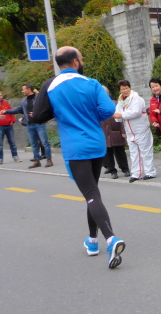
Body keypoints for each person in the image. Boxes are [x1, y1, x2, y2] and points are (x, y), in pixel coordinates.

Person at [37, 46, 126, 268]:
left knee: (91, 194)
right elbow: (108, 110)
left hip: (75, 148)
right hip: (96, 144)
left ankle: (111, 239)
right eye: (82, 58)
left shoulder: (50, 85)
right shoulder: (91, 83)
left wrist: (59, 111)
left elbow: (38, 115)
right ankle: (92, 241)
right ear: (76, 62)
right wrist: (90, 115)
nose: (82, 61)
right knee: (92, 193)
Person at [113, 80, 155, 183]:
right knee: (134, 153)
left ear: (130, 88)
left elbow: (136, 112)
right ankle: (136, 173)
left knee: (145, 152)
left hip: (141, 129)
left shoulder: (137, 98)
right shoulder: (120, 101)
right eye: (122, 89)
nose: (125, 90)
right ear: (119, 90)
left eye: (126, 88)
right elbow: (117, 115)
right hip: (129, 131)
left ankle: (150, 172)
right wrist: (119, 116)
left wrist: (122, 115)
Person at [2, 84, 53, 168]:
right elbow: (18, 109)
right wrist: (6, 112)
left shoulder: (39, 98)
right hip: (29, 124)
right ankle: (37, 161)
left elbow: (46, 108)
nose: (22, 91)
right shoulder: (24, 101)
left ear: (29, 89)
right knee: (33, 144)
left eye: (23, 89)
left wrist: (36, 114)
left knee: (44, 142)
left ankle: (49, 159)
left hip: (40, 124)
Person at [0, 90, 21, 164]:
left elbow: (11, 111)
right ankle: (0, 158)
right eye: (0, 96)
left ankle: (15, 157)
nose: (1, 97)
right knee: (0, 144)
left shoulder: (5, 102)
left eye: (1, 95)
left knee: (12, 142)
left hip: (9, 125)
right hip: (0, 126)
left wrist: (13, 120)